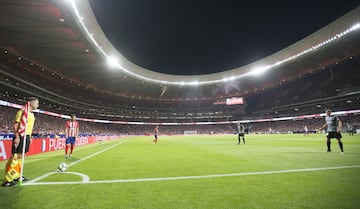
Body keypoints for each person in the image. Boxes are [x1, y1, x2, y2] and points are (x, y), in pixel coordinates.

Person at [2, 97, 39, 187]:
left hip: (26, 136)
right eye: (37, 103)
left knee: (21, 156)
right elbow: (16, 125)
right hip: (20, 136)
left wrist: (29, 137)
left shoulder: (31, 115)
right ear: (30, 103)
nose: (38, 105)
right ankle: (8, 179)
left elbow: (29, 128)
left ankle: (16, 175)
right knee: (15, 156)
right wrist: (17, 137)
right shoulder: (22, 112)